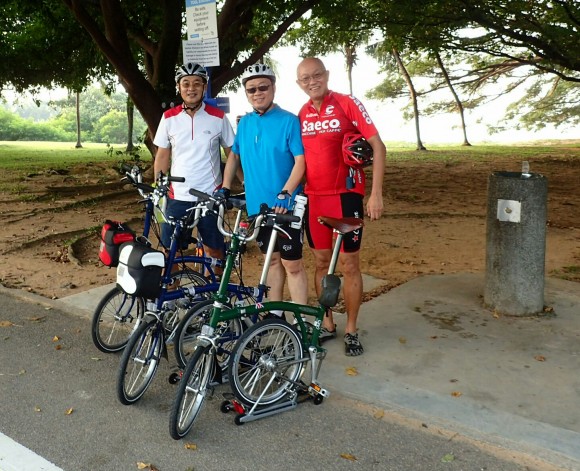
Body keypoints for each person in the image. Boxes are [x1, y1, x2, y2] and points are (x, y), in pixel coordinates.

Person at [296, 57, 386, 356]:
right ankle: (328, 324)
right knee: (321, 263)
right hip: (315, 198)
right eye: (305, 78)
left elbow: (378, 146)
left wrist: (375, 194)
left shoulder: (347, 103)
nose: (312, 81)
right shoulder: (302, 114)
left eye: (317, 75)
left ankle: (351, 329)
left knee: (349, 265)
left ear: (327, 75)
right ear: (299, 84)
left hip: (346, 196)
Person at [220, 63, 308, 310]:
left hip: (286, 207)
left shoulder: (289, 121)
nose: (257, 93)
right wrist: (226, 187)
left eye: (263, 87)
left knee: (293, 264)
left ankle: (301, 320)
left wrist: (286, 192)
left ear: (273, 88)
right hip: (258, 206)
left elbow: (301, 161)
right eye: (251, 90)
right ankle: (276, 314)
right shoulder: (245, 123)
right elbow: (234, 156)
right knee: (271, 261)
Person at [153, 62, 234, 262]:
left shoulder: (218, 117)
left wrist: (231, 186)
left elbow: (232, 152)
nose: (191, 88)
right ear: (179, 87)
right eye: (186, 83)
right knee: (169, 252)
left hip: (210, 196)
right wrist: (158, 185)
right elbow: (163, 154)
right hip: (177, 196)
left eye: (197, 84)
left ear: (204, 87)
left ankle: (214, 291)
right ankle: (172, 290)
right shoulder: (168, 118)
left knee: (214, 251)